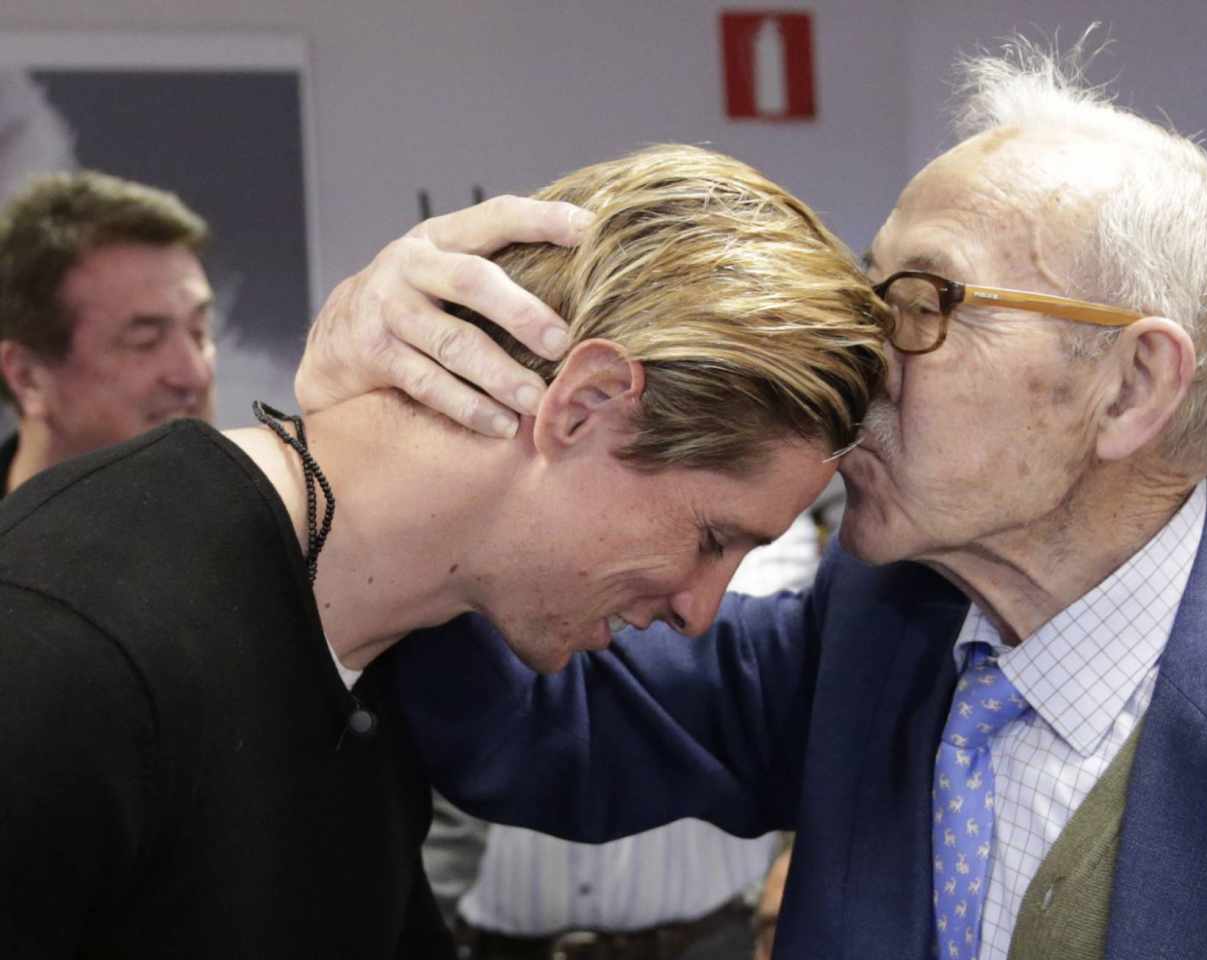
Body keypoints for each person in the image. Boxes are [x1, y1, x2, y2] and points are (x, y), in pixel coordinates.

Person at [297, 38, 1207, 959]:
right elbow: (542, 720)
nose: (858, 356)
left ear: (1130, 386)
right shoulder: (877, 632)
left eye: (920, 303)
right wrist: (407, 417)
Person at [0, 144, 886, 958]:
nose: (699, 611)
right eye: (712, 537)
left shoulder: (386, 640)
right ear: (584, 403)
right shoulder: (63, 648)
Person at [430, 523, 819, 960]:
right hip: (492, 937)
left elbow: (806, 715)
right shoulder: (490, 523)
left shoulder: (772, 532)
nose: (695, 609)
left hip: (707, 938)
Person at [0, 170, 217, 495]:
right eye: (145, 343)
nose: (195, 375)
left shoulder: (278, 537)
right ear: (27, 376)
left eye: (198, 332)